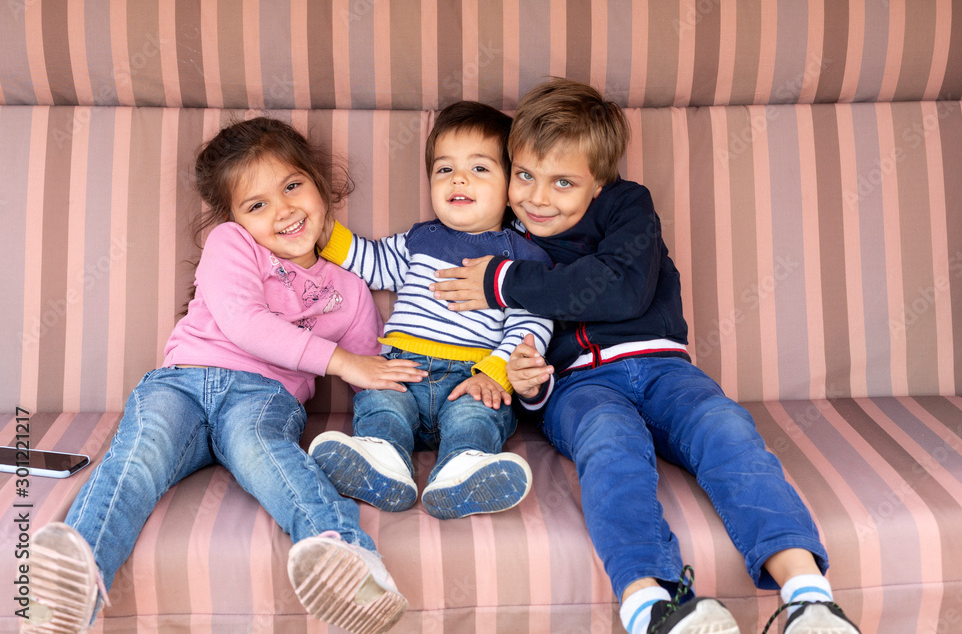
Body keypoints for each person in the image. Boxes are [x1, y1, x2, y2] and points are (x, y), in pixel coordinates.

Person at [428, 79, 863, 634]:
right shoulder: (506, 236)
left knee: (725, 427)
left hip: (664, 369)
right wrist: (528, 383)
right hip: (577, 386)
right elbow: (511, 338)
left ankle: (808, 599)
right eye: (525, 175)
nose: (537, 198)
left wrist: (506, 281)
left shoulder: (627, 207)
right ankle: (652, 605)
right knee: (610, 445)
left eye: (563, 182)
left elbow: (621, 288)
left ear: (598, 181)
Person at [23, 117, 427, 634]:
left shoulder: (348, 291)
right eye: (257, 205)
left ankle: (349, 564)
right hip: (181, 384)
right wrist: (341, 361)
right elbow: (244, 322)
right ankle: (70, 587)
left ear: (320, 185)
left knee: (266, 455)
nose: (282, 210)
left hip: (262, 397)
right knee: (141, 454)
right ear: (234, 216)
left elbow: (371, 374)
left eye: (292, 186)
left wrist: (424, 401)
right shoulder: (231, 243)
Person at [309, 101, 553, 520]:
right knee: (382, 405)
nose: (458, 178)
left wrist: (495, 373)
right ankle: (383, 462)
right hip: (403, 370)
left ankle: (462, 470)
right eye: (444, 169)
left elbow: (530, 326)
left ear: (512, 188)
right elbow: (374, 263)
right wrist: (322, 232)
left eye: (479, 168)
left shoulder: (522, 258)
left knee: (477, 417)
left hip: (472, 378)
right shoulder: (420, 239)